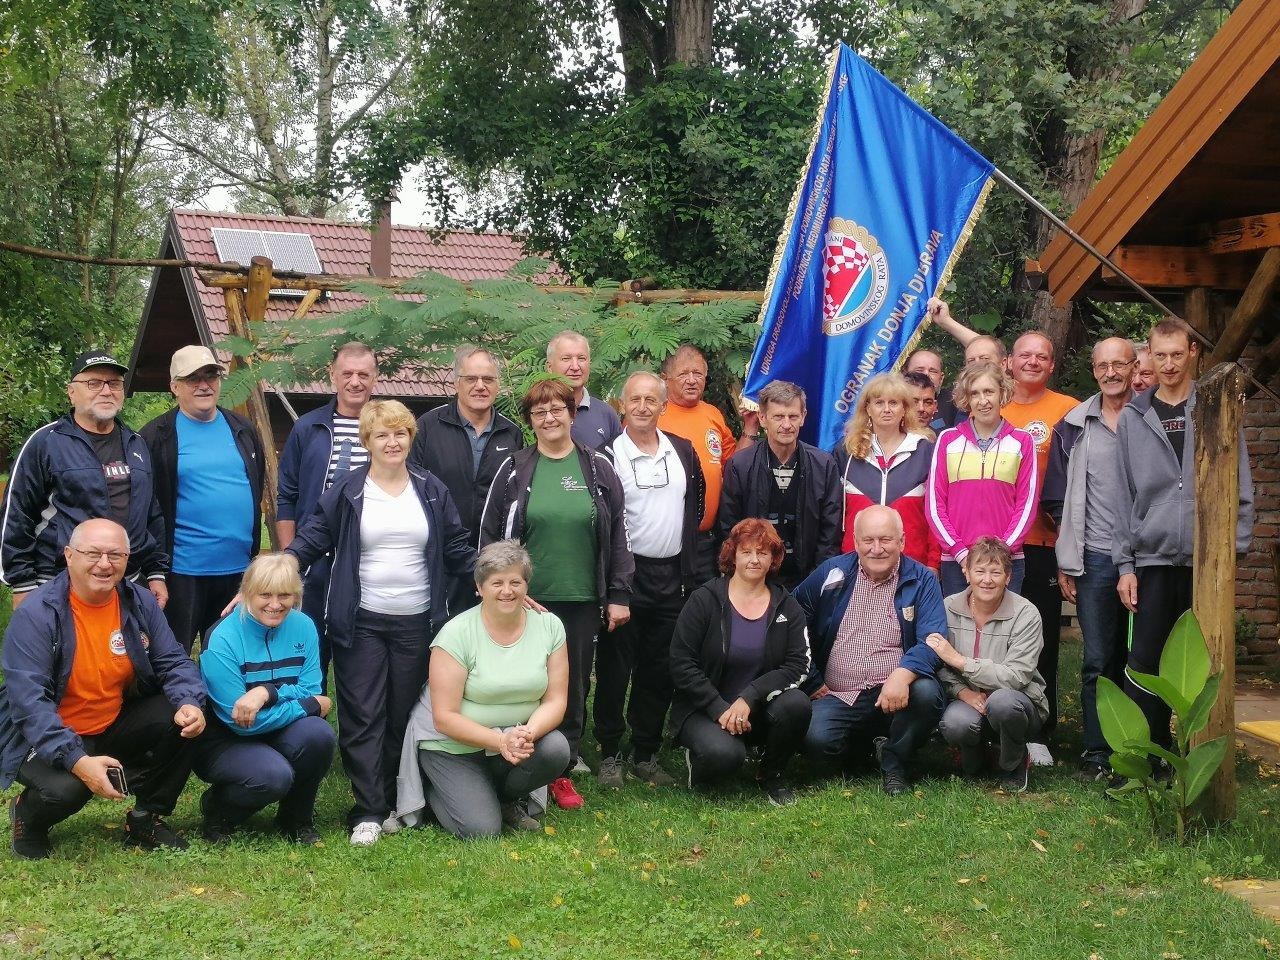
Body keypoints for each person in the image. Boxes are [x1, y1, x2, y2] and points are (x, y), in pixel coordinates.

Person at [287, 400, 475, 846]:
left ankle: (397, 799)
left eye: (400, 433)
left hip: (418, 620)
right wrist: (280, 567)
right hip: (361, 620)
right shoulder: (349, 490)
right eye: (382, 435)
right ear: (367, 441)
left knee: (401, 714)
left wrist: (501, 578)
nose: (392, 442)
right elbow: (313, 536)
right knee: (363, 714)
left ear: (411, 438)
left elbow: (457, 547)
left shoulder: (430, 490)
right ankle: (368, 810)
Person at [0, 519, 205, 859]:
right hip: (39, 733)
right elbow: (29, 704)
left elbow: (173, 662)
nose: (105, 564)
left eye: (116, 555)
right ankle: (28, 814)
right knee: (69, 789)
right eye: (92, 553)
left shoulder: (139, 601)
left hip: (110, 719)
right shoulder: (37, 614)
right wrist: (78, 761)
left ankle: (145, 819)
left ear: (127, 559)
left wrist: (190, 703)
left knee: (183, 715)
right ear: (68, 555)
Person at [480, 379, 633, 810]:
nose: (549, 418)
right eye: (539, 412)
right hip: (524, 601)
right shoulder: (514, 469)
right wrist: (498, 590)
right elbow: (489, 538)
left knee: (571, 686)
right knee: (521, 682)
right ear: (530, 421)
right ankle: (513, 761)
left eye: (557, 410)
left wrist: (618, 593)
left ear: (571, 413)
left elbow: (619, 532)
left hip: (582, 598)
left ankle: (559, 771)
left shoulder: (598, 466)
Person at [1114, 319, 1253, 750]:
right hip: (1153, 560)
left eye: (1177, 354)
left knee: (1206, 661)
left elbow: (1241, 482)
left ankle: (1207, 752)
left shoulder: (1214, 406)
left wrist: (1235, 549)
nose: (1169, 364)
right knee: (1147, 662)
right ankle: (1151, 754)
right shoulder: (1134, 418)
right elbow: (1124, 497)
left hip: (1206, 561)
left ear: (1192, 352)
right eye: (1161, 355)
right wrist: (1125, 565)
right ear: (1148, 358)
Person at [392, 541, 570, 838]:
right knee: (482, 831)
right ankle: (434, 791)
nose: (507, 591)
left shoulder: (550, 627)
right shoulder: (456, 634)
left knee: (555, 749)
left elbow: (556, 700)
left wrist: (528, 733)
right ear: (479, 586)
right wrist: (500, 741)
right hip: (451, 746)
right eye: (496, 582)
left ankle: (502, 798)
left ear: (527, 585)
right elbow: (444, 717)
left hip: (511, 741)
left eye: (516, 582)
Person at [596, 372, 704, 788]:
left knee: (659, 670)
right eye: (634, 399)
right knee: (614, 668)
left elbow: (692, 512)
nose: (643, 407)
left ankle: (645, 751)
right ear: (622, 404)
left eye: (651, 400)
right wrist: (614, 586)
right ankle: (608, 752)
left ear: (663, 406)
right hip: (625, 576)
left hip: (671, 578)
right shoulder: (606, 456)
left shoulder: (682, 450)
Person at [796, 505, 947, 796]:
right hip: (839, 693)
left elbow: (934, 638)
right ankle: (862, 749)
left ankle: (895, 764)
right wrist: (812, 679)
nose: (877, 549)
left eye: (886, 540)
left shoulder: (921, 580)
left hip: (895, 696)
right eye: (868, 540)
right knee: (815, 740)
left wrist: (903, 675)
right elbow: (792, 620)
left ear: (902, 541)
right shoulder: (833, 572)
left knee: (927, 693)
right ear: (855, 542)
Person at [2, 351, 168, 609]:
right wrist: (22, 584)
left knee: (122, 650)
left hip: (127, 581)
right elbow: (17, 515)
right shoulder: (46, 442)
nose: (106, 391)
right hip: (60, 582)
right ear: (71, 392)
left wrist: (156, 572)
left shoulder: (137, 444)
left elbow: (151, 513)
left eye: (114, 384)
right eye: (94, 383)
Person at [1042, 337, 1136, 781]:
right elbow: (1058, 497)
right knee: (1098, 659)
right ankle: (1099, 753)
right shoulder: (1074, 425)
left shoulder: (1153, 417)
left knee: (1145, 659)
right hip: (1095, 559)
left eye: (1120, 364)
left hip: (1149, 557)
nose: (1111, 372)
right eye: (1103, 365)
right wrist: (1068, 554)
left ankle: (1145, 748)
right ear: (1094, 370)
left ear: (1135, 366)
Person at [195, 553, 336, 844]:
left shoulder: (304, 626)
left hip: (275, 727)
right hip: (226, 740)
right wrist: (308, 705)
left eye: (285, 595)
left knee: (318, 735)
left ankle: (296, 819)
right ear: (246, 594)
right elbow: (241, 721)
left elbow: (311, 687)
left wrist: (267, 692)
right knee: (274, 776)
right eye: (265, 595)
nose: (275, 605)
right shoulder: (222, 638)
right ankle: (218, 810)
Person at [669, 519, 811, 805]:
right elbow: (681, 663)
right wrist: (720, 708)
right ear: (732, 555)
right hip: (705, 709)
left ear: (774, 558)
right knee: (725, 756)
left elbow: (798, 665)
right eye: (746, 552)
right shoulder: (704, 600)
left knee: (797, 704)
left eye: (763, 552)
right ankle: (700, 761)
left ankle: (771, 775)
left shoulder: (787, 605)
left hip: (757, 708)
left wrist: (751, 697)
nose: (755, 560)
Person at [140, 345, 266, 654]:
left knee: (231, 658)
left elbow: (257, 487)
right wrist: (153, 570)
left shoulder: (243, 431)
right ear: (174, 386)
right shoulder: (156, 436)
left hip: (237, 571)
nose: (204, 384)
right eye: (193, 378)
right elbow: (146, 507)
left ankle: (223, 705)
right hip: (183, 573)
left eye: (211, 375)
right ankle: (180, 704)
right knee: (172, 656)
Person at [276, 342, 379, 682]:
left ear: (375, 379)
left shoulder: (388, 429)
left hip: (366, 553)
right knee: (310, 641)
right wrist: (291, 558)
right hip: (313, 554)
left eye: (363, 374)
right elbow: (287, 495)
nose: (355, 382)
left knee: (358, 645)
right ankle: (310, 715)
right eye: (347, 373)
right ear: (332, 376)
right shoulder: (309, 428)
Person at [999, 331, 1078, 765]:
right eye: (1024, 354)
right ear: (1009, 362)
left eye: (1042, 356)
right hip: (994, 544)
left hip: (1043, 541)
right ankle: (991, 724)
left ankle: (1037, 728)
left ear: (1051, 365)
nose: (1032, 361)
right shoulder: (992, 404)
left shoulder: (1068, 409)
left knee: (1041, 635)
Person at [410, 345, 524, 612]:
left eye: (488, 379)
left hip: (492, 560)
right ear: (456, 382)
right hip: (437, 557)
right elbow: (412, 489)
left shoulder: (511, 434)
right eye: (471, 378)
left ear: (498, 385)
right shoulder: (427, 427)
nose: (480, 386)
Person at [930, 537, 1047, 793]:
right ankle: (976, 755)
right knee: (955, 724)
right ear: (966, 572)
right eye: (980, 571)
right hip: (968, 699)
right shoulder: (947, 608)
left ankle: (1014, 762)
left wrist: (963, 662)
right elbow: (938, 663)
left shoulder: (1026, 614)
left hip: (1017, 701)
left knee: (1003, 703)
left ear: (1008, 577)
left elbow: (1017, 676)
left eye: (996, 572)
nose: (987, 580)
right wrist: (963, 693)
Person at [926, 361, 1038, 598]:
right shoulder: (947, 440)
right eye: (974, 393)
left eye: (989, 391)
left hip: (1007, 561)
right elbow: (935, 506)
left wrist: (1003, 552)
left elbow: (1026, 506)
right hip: (957, 560)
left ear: (1002, 393)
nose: (983, 400)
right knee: (958, 633)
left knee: (1003, 632)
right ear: (966, 398)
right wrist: (960, 553)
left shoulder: (1022, 441)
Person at [719, 381, 841, 589]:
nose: (786, 424)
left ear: (803, 417)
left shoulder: (824, 464)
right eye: (778, 417)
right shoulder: (740, 465)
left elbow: (830, 531)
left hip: (807, 577)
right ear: (763, 418)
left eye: (793, 416)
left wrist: (817, 579)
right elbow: (729, 527)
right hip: (754, 576)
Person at [835, 372, 939, 570]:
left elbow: (935, 511)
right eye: (879, 402)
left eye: (894, 403)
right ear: (868, 408)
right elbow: (834, 513)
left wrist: (933, 563)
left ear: (904, 409)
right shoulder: (846, 451)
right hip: (855, 563)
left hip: (912, 564)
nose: (886, 409)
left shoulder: (925, 450)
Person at [658, 344, 736, 581]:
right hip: (666, 544)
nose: (691, 380)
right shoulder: (652, 415)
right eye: (683, 374)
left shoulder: (713, 414)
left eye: (698, 374)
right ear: (665, 379)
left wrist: (751, 429)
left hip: (707, 542)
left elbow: (734, 465)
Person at [546, 330, 622, 450]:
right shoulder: (538, 413)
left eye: (581, 358)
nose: (575, 367)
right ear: (549, 367)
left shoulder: (606, 414)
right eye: (566, 359)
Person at [904, 347, 957, 427]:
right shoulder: (892, 401)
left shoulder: (955, 401)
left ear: (941, 378)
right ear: (905, 373)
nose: (926, 374)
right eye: (919, 370)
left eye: (933, 371)